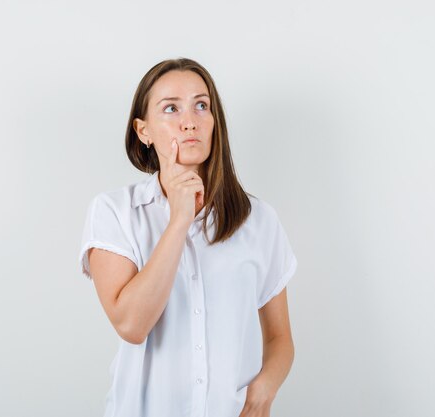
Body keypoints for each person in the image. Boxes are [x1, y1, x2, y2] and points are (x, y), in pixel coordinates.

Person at [78, 58, 298, 417]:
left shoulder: (259, 220)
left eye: (201, 105)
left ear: (214, 121)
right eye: (170, 108)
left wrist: (264, 389)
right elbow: (131, 325)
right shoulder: (115, 212)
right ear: (143, 130)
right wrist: (179, 221)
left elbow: (280, 338)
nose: (189, 121)